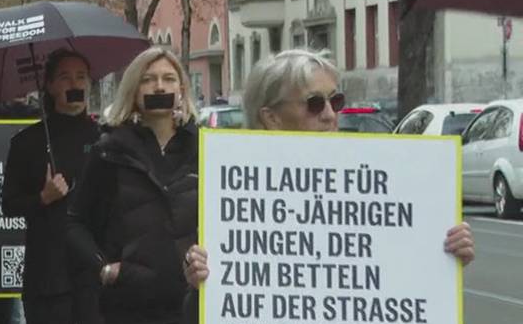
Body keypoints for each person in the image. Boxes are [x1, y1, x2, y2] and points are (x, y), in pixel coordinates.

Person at [183, 48, 475, 282]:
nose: (329, 115)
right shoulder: (231, 189)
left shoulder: (377, 179)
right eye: (314, 104)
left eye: (336, 101)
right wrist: (199, 279)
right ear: (271, 117)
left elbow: (398, 267)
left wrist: (447, 250)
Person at [66, 47, 200, 324]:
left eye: (167, 78)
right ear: (134, 90)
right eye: (148, 79)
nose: (159, 86)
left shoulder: (205, 147)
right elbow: (76, 224)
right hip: (130, 307)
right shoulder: (110, 151)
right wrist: (105, 268)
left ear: (181, 88)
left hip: (189, 304)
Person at [2, 49, 115, 324]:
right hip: (48, 269)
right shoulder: (28, 143)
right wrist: (43, 198)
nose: (75, 83)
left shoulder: (106, 139)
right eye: (65, 76)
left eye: (82, 75)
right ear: (49, 85)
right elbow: (7, 203)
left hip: (96, 268)